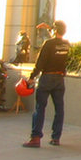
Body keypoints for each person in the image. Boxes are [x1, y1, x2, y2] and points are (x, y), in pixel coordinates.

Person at [23, 20, 70, 148]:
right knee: (59, 109)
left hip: (47, 77)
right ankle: (56, 138)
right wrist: (51, 29)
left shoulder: (48, 44)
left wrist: (32, 77)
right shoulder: (66, 44)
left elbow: (40, 63)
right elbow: (58, 47)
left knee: (40, 108)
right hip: (59, 78)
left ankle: (36, 137)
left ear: (55, 30)